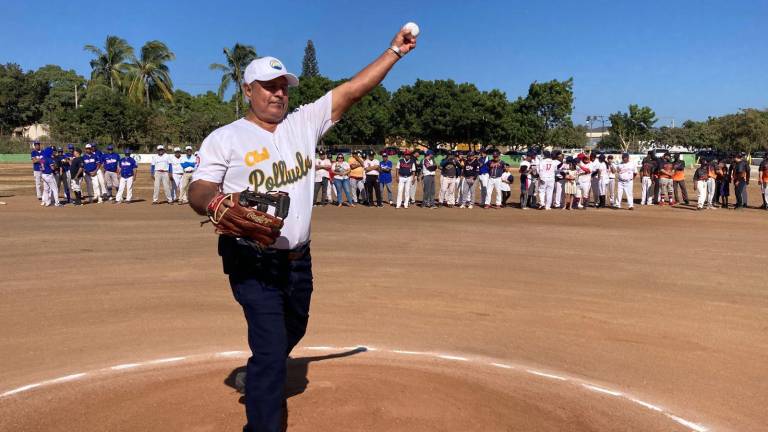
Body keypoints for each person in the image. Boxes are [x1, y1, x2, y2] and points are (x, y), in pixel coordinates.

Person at [187, 28, 416, 432]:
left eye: (283, 87)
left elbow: (352, 91)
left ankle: (260, 371)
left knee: (295, 328)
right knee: (273, 348)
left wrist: (394, 52)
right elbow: (199, 188)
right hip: (251, 257)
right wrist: (214, 203)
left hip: (298, 259)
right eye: (268, 87)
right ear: (248, 91)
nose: (278, 93)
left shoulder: (303, 124)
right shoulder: (226, 138)